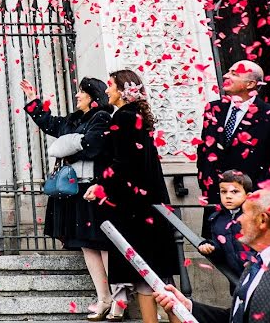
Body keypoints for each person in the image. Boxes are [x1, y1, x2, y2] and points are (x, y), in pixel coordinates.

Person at [84, 70, 179, 323]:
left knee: (145, 276)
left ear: (124, 90)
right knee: (156, 279)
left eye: (111, 86)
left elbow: (124, 162)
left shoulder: (125, 118)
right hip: (145, 205)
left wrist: (100, 186)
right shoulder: (135, 117)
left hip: (136, 210)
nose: (106, 90)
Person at [20, 77, 115, 321]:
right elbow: (50, 124)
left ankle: (116, 297)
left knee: (103, 244)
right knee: (86, 244)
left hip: (94, 189)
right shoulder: (74, 120)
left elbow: (94, 145)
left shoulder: (102, 117)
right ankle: (103, 297)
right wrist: (33, 99)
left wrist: (66, 145)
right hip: (75, 192)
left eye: (81, 92)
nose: (77, 96)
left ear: (93, 96)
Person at [155, 189, 270, 323]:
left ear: (262, 220)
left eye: (244, 213)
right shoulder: (257, 263)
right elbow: (238, 316)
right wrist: (189, 307)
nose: (238, 220)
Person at [197, 60, 270, 207]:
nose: (226, 76)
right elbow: (204, 150)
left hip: (253, 201)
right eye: (228, 71)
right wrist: (206, 184)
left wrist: (255, 192)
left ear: (250, 84)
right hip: (216, 198)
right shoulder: (213, 109)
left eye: (234, 74)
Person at [197, 170, 254, 292]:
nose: (228, 196)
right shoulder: (216, 220)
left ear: (248, 196)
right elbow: (220, 252)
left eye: (235, 191)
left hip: (259, 277)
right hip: (236, 282)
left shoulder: (255, 217)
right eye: (224, 192)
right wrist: (210, 248)